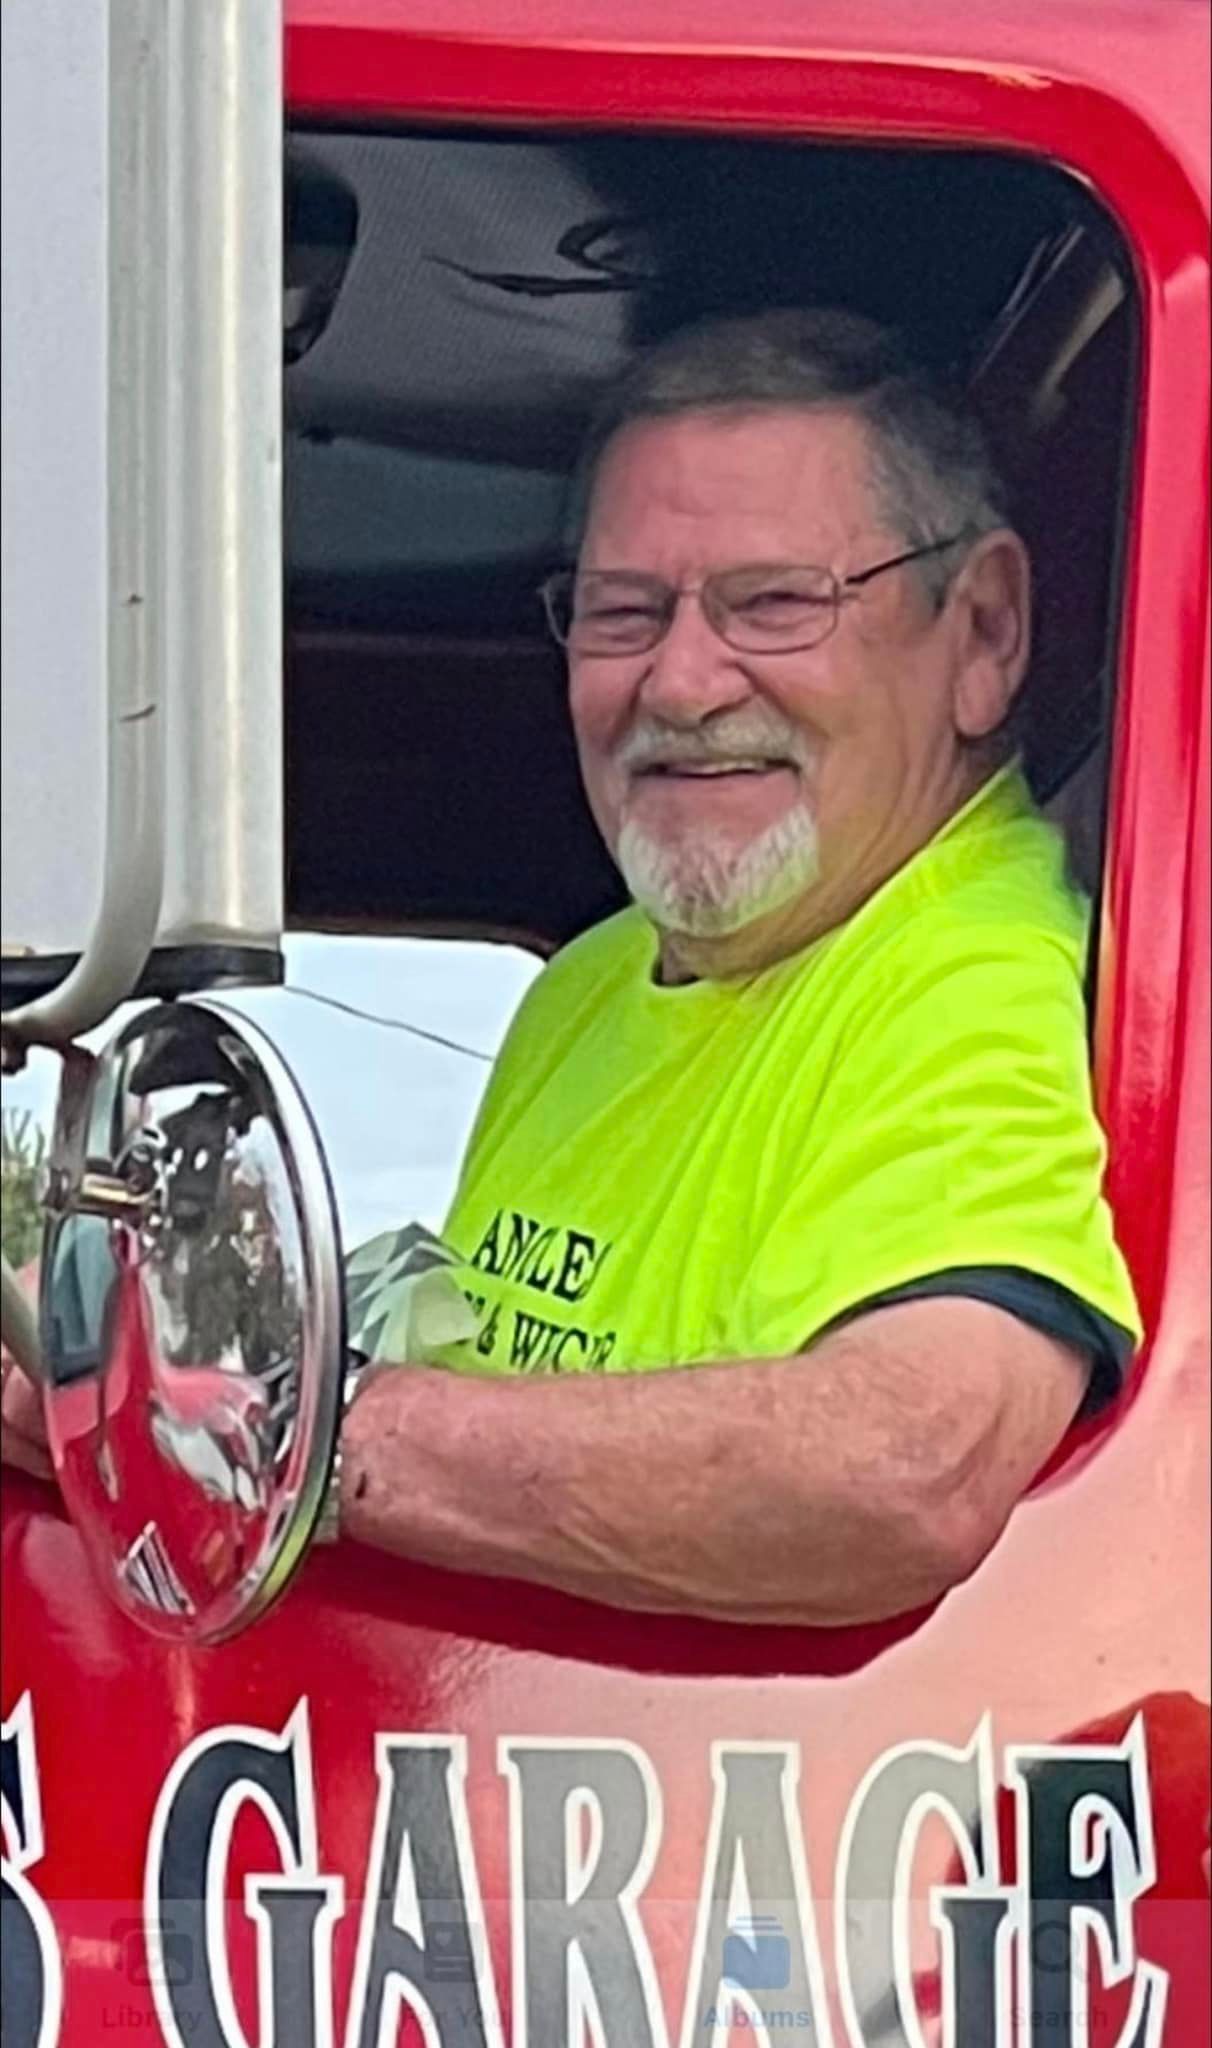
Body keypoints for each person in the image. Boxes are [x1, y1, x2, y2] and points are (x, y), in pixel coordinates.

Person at [3, 309, 1141, 1627]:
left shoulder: (982, 971)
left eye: (773, 603)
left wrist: (282, 1434)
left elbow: (902, 1469)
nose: (683, 680)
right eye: (623, 612)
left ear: (985, 632)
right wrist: (128, 1380)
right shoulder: (596, 981)